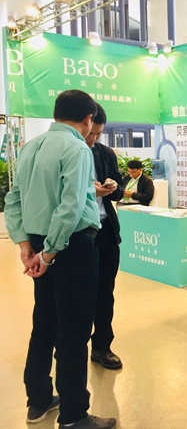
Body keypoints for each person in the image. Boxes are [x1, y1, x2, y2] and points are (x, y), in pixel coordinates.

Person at [4, 90, 117, 429]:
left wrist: (26, 245)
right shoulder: (77, 148)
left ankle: (38, 401)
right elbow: (70, 209)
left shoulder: (30, 147)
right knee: (74, 332)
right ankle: (74, 414)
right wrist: (50, 254)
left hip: (39, 243)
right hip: (71, 248)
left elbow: (13, 199)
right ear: (88, 119)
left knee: (44, 324)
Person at [84, 103, 124, 370]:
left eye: (99, 134)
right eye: (91, 133)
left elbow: (119, 190)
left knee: (105, 292)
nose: (94, 139)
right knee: (78, 293)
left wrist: (113, 186)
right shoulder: (69, 153)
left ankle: (101, 347)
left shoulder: (105, 153)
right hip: (78, 232)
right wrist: (90, 190)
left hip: (106, 230)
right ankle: (71, 346)